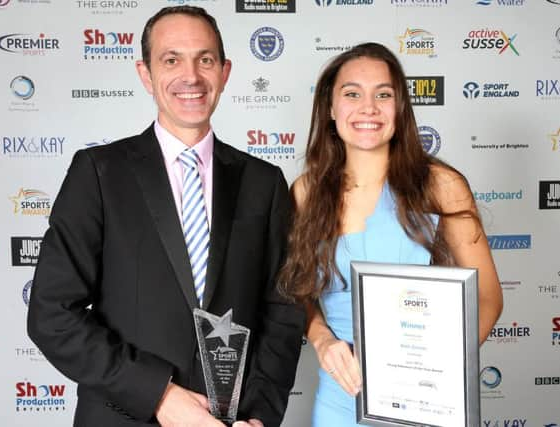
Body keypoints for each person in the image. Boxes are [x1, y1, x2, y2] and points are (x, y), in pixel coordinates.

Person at [27, 6, 304, 427]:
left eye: (205, 60)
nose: (190, 76)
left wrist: (259, 414)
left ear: (225, 72)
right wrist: (159, 395)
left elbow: (282, 311)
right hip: (122, 417)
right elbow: (51, 312)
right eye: (171, 59)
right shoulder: (99, 173)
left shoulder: (263, 182)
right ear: (145, 73)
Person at [278, 42, 503, 426]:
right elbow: (298, 295)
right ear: (330, 109)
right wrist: (321, 339)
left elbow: (488, 299)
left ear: (400, 108)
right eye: (352, 94)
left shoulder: (441, 185)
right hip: (339, 400)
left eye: (384, 94)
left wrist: (438, 370)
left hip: (424, 398)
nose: (369, 107)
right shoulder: (305, 192)